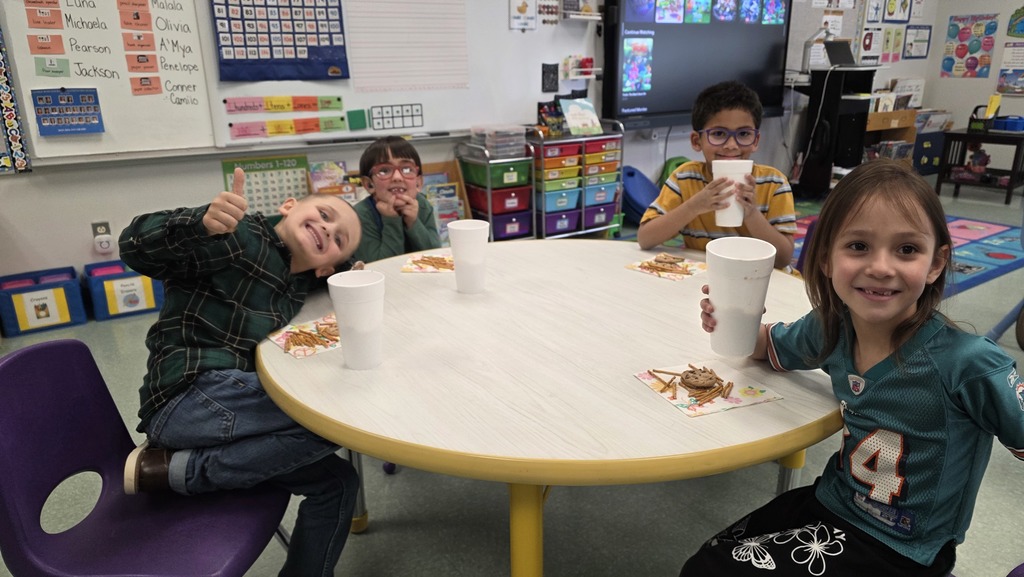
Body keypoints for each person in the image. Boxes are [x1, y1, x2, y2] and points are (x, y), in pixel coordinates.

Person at [690, 160, 1022, 576]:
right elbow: (765, 345)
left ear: (935, 264)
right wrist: (729, 314)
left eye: (906, 249)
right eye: (858, 246)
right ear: (826, 258)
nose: (881, 267)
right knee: (711, 557)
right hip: (834, 501)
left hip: (902, 549)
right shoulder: (830, 329)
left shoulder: (968, 363)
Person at [119, 168, 363, 577]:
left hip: (229, 403)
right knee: (341, 419)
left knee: (339, 485)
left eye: (338, 239)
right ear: (289, 206)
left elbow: (299, 284)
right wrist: (199, 223)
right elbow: (135, 246)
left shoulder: (298, 281)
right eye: (323, 213)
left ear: (326, 267)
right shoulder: (238, 236)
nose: (326, 228)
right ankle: (185, 471)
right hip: (187, 394)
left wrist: (346, 282)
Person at [637, 80, 796, 269]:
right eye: (719, 134)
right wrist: (694, 206)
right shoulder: (684, 178)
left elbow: (783, 259)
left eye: (744, 134)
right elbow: (645, 239)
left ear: (756, 140)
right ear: (697, 141)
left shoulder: (774, 183)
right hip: (709, 276)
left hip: (761, 276)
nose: (731, 145)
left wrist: (752, 213)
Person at [352, 135, 442, 262]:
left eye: (406, 169)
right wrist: (391, 220)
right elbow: (377, 266)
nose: (397, 177)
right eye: (384, 171)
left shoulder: (422, 204)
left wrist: (413, 223)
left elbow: (434, 257)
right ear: (369, 184)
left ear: (418, 182)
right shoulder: (360, 215)